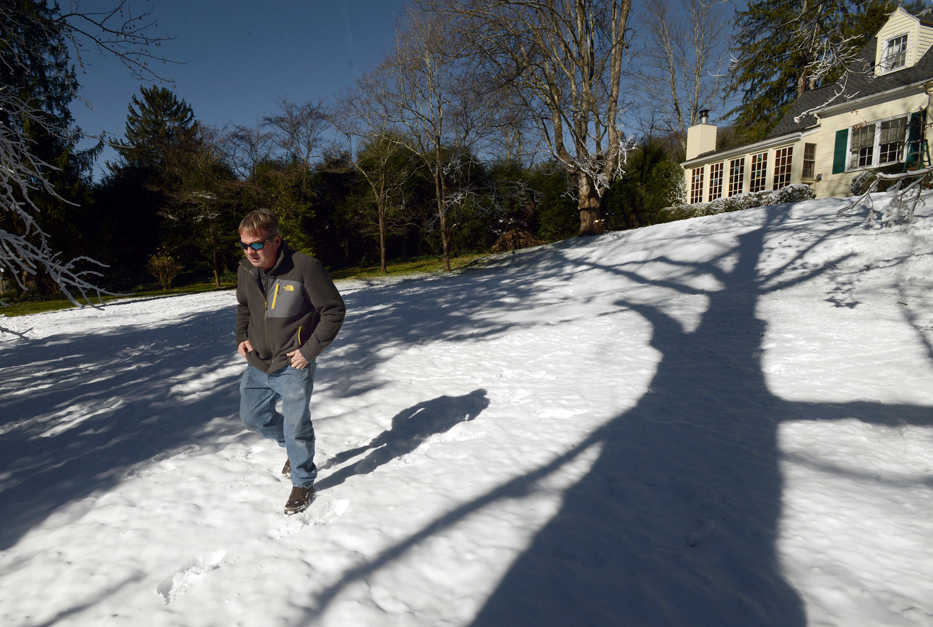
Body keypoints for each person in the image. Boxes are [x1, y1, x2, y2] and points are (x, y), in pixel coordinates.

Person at [235, 209, 345, 515]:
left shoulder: (305, 267)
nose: (249, 252)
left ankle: (302, 480)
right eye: (244, 245)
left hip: (294, 363)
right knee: (252, 418)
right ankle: (291, 450)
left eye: (256, 245)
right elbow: (243, 306)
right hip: (258, 361)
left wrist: (308, 351)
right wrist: (240, 336)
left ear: (276, 240)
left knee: (296, 425)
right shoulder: (245, 269)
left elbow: (333, 310)